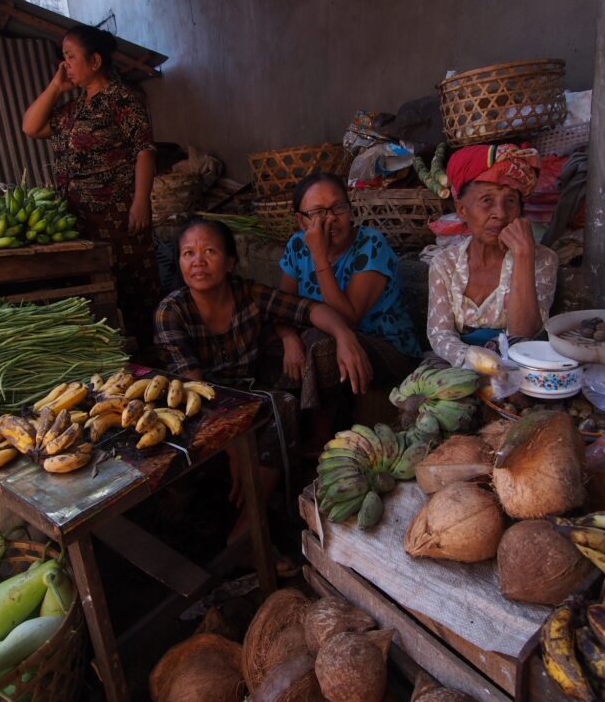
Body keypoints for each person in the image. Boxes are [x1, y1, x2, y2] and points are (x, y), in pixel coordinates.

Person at [154, 218, 372, 569]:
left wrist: (345, 336)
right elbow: (195, 388)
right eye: (188, 254)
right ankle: (248, 518)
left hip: (245, 391)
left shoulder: (247, 293)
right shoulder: (171, 311)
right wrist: (233, 447)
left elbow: (309, 309)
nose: (198, 262)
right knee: (261, 417)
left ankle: (248, 528)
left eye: (209, 252)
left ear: (230, 262)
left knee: (283, 403)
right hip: (195, 405)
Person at [22, 24, 159, 347]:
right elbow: (31, 127)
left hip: (116, 215)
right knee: (96, 291)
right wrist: (56, 86)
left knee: (131, 288)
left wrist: (141, 201)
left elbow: (144, 150)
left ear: (95, 61)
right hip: (78, 219)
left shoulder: (122, 99)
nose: (65, 64)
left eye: (71, 57)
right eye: (63, 57)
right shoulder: (74, 108)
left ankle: (150, 355)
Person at [276, 172, 421, 409]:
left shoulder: (370, 244)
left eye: (339, 207)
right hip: (332, 336)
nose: (331, 218)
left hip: (386, 346)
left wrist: (319, 257)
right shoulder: (297, 245)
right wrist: (288, 338)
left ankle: (322, 424)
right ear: (301, 221)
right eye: (318, 212)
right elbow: (281, 306)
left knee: (319, 344)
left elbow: (347, 318)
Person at [427, 144, 558, 367]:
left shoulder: (543, 259)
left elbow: (524, 334)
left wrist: (523, 255)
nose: (500, 213)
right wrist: (475, 360)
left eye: (510, 201)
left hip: (520, 364)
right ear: (462, 209)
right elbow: (440, 334)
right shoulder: (445, 264)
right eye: (487, 201)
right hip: (460, 364)